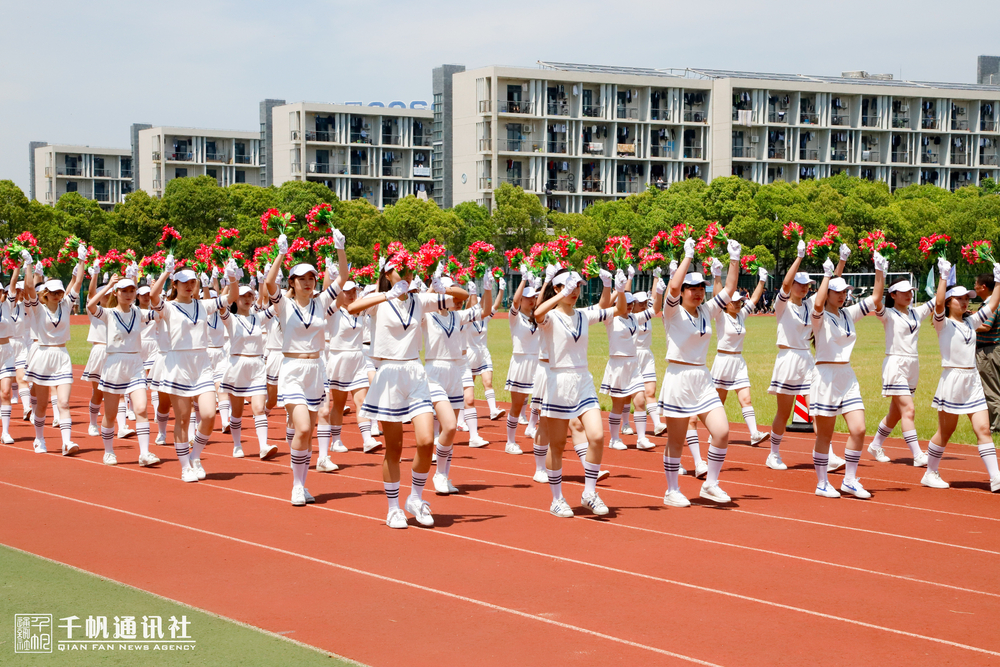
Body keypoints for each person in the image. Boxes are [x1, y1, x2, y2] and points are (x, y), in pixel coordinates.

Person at [348, 247, 468, 529]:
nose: (407, 275)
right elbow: (352, 308)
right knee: (394, 447)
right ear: (388, 274)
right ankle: (393, 508)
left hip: (414, 371)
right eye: (400, 270)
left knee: (426, 441)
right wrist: (388, 292)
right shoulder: (378, 301)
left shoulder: (421, 301)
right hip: (388, 373)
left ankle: (415, 498)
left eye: (410, 270)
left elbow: (463, 298)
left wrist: (444, 286)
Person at [263, 232, 348, 506]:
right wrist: (280, 254)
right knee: (301, 429)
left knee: (309, 431)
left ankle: (303, 482)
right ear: (293, 282)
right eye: (302, 279)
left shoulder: (322, 302)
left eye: (311, 278)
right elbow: (268, 283)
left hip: (316, 370)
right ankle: (297, 485)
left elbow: (343, 278)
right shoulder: (284, 305)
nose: (308, 283)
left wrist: (340, 248)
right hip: (292, 369)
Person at [534, 267, 625, 518]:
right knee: (558, 444)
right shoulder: (550, 318)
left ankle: (589, 493)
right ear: (557, 288)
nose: (575, 292)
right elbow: (537, 313)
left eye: (578, 287)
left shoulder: (583, 315)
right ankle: (557, 499)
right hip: (558, 380)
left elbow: (619, 310)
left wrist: (619, 288)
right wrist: (560, 291)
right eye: (570, 287)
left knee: (596, 436)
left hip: (583, 379)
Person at [658, 238, 742, 507]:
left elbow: (729, 288)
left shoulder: (707, 310)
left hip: (702, 378)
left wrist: (734, 258)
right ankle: (672, 490)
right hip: (678, 377)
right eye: (690, 288)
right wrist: (687, 256)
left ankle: (711, 484)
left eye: (700, 288)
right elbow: (671, 286)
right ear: (682, 291)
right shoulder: (671, 312)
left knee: (722, 431)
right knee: (676, 440)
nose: (696, 292)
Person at [809, 248, 884, 499]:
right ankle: (822, 483)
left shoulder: (848, 314)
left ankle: (849, 480)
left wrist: (879, 269)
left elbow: (875, 298)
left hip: (846, 375)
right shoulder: (818, 316)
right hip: (825, 375)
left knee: (859, 429)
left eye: (845, 292)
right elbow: (818, 303)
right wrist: (827, 276)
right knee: (826, 434)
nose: (842, 296)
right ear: (828, 291)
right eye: (837, 292)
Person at [766, 240, 845, 473]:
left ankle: (826, 453)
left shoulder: (811, 305)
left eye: (807, 285)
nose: (803, 288)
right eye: (800, 284)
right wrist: (799, 257)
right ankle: (774, 453)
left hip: (808, 361)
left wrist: (838, 264)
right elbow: (785, 283)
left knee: (818, 408)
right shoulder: (781, 305)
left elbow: (830, 287)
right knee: (784, 411)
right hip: (787, 359)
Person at [923, 258, 1000, 492]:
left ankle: (996, 477)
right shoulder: (942, 323)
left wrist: (998, 281)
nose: (965, 302)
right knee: (945, 432)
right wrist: (943, 276)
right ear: (949, 302)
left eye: (967, 298)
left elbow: (993, 304)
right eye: (960, 298)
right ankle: (930, 472)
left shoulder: (971, 322)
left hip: (972, 379)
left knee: (983, 430)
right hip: (952, 380)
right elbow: (937, 304)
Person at [149, 257, 224, 482]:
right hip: (178, 364)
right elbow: (153, 297)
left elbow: (229, 298)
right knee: (182, 418)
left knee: (209, 414)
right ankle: (185, 466)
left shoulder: (203, 305)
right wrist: (165, 272)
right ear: (175, 284)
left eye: (192, 281)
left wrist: (228, 275)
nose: (189, 285)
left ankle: (196, 456)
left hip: (201, 363)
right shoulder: (169, 307)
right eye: (183, 282)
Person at [424, 273, 494, 492]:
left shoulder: (458, 316)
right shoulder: (426, 316)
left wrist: (488, 289)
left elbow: (483, 310)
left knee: (451, 430)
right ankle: (436, 472)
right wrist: (430, 290)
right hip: (435, 371)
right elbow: (416, 304)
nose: (450, 296)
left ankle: (442, 475)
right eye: (445, 291)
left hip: (455, 371)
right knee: (450, 425)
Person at [86, 271, 162, 467]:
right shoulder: (109, 314)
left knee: (141, 409)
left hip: (135, 363)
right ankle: (109, 451)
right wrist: (110, 284)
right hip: (114, 364)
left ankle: (144, 453)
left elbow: (160, 311)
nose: (128, 294)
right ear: (116, 293)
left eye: (131, 291)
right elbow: (90, 306)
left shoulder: (138, 312)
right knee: (110, 415)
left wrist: (157, 288)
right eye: (124, 291)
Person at [21, 245, 88, 454]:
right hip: (42, 355)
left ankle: (67, 442)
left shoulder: (66, 305)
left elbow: (78, 282)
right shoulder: (37, 309)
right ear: (46, 294)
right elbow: (30, 287)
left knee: (64, 402)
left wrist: (81, 259)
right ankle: (39, 439)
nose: (59, 295)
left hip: (61, 356)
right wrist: (29, 264)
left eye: (61, 292)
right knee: (41, 404)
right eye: (55, 292)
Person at [865, 279, 932, 466]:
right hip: (895, 363)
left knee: (896, 413)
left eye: (910, 291)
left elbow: (938, 300)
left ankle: (875, 445)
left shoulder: (916, 313)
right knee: (909, 410)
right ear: (893, 295)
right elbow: (876, 299)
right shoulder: (887, 314)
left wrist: (944, 276)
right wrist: (880, 273)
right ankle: (918, 455)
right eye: (903, 292)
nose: (909, 295)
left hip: (913, 364)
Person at [710, 262, 770, 445]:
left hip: (738, 361)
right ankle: (714, 432)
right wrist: (717, 275)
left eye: (738, 301)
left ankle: (754, 434)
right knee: (719, 401)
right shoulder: (720, 316)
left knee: (746, 398)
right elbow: (717, 295)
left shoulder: (742, 315)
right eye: (733, 301)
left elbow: (753, 300)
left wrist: (762, 280)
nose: (737, 303)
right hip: (723, 360)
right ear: (726, 304)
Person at [598, 267, 656, 450]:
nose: (629, 306)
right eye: (627, 303)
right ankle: (614, 438)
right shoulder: (610, 318)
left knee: (640, 400)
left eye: (631, 303)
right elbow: (606, 303)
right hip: (617, 364)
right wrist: (616, 288)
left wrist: (659, 288)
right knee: (618, 404)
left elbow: (654, 310)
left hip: (633, 364)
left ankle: (641, 438)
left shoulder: (634, 318)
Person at [220, 279, 278, 461]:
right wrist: (230, 280)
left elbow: (278, 305)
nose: (246, 299)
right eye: (242, 296)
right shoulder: (231, 319)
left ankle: (263, 446)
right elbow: (221, 305)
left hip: (257, 366)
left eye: (250, 295)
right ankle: (237, 445)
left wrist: (268, 280)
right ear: (236, 299)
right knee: (236, 412)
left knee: (259, 408)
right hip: (237, 365)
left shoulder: (258, 318)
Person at [502, 273, 542, 454]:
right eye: (528, 298)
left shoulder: (538, 315)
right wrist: (524, 279)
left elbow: (543, 301)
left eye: (533, 297)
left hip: (538, 362)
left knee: (542, 402)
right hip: (521, 361)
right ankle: (510, 441)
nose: (531, 301)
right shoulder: (515, 317)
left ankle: (533, 428)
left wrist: (545, 282)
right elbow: (515, 302)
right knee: (517, 406)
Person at [973, 273, 1000, 432]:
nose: (974, 286)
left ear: (983, 287)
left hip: (989, 351)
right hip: (992, 349)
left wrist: (966, 324)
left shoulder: (991, 303)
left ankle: (995, 427)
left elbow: (986, 326)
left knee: (991, 389)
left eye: (976, 284)